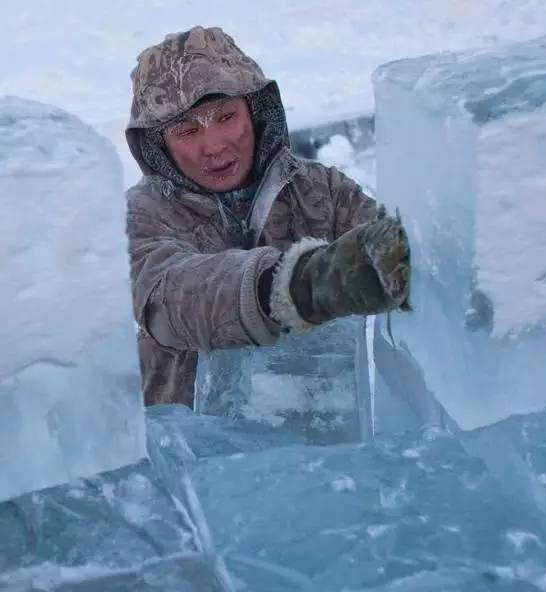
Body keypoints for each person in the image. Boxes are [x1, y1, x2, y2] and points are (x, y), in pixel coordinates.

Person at [125, 25, 411, 409]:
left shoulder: (320, 190)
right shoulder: (138, 216)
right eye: (188, 130)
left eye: (226, 117)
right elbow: (170, 301)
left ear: (256, 114)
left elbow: (404, 253)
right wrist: (299, 284)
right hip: (190, 453)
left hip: (323, 442)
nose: (213, 146)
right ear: (159, 146)